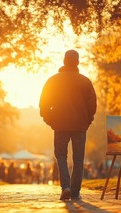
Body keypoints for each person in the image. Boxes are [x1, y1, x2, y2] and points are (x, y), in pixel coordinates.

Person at [39, 49, 97, 201]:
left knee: (60, 155)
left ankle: (65, 187)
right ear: (77, 62)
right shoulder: (85, 81)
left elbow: (43, 103)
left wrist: (51, 120)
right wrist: (87, 121)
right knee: (78, 158)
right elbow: (92, 106)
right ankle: (75, 191)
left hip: (60, 125)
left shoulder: (53, 81)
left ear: (64, 61)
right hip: (80, 126)